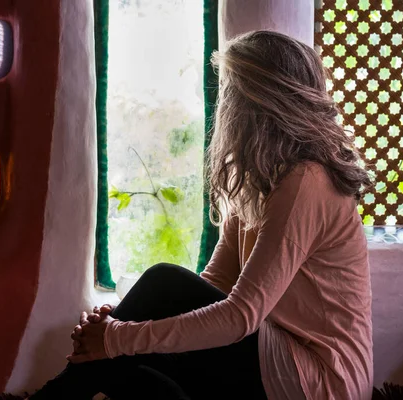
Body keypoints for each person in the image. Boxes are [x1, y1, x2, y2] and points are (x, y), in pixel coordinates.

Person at [29, 30, 373, 400]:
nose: (223, 104)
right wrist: (120, 321)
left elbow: (241, 315)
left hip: (320, 381)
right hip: (275, 363)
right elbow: (215, 285)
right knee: (131, 369)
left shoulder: (307, 180)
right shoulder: (264, 181)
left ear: (259, 102)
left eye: (230, 91)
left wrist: (116, 335)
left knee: (160, 288)